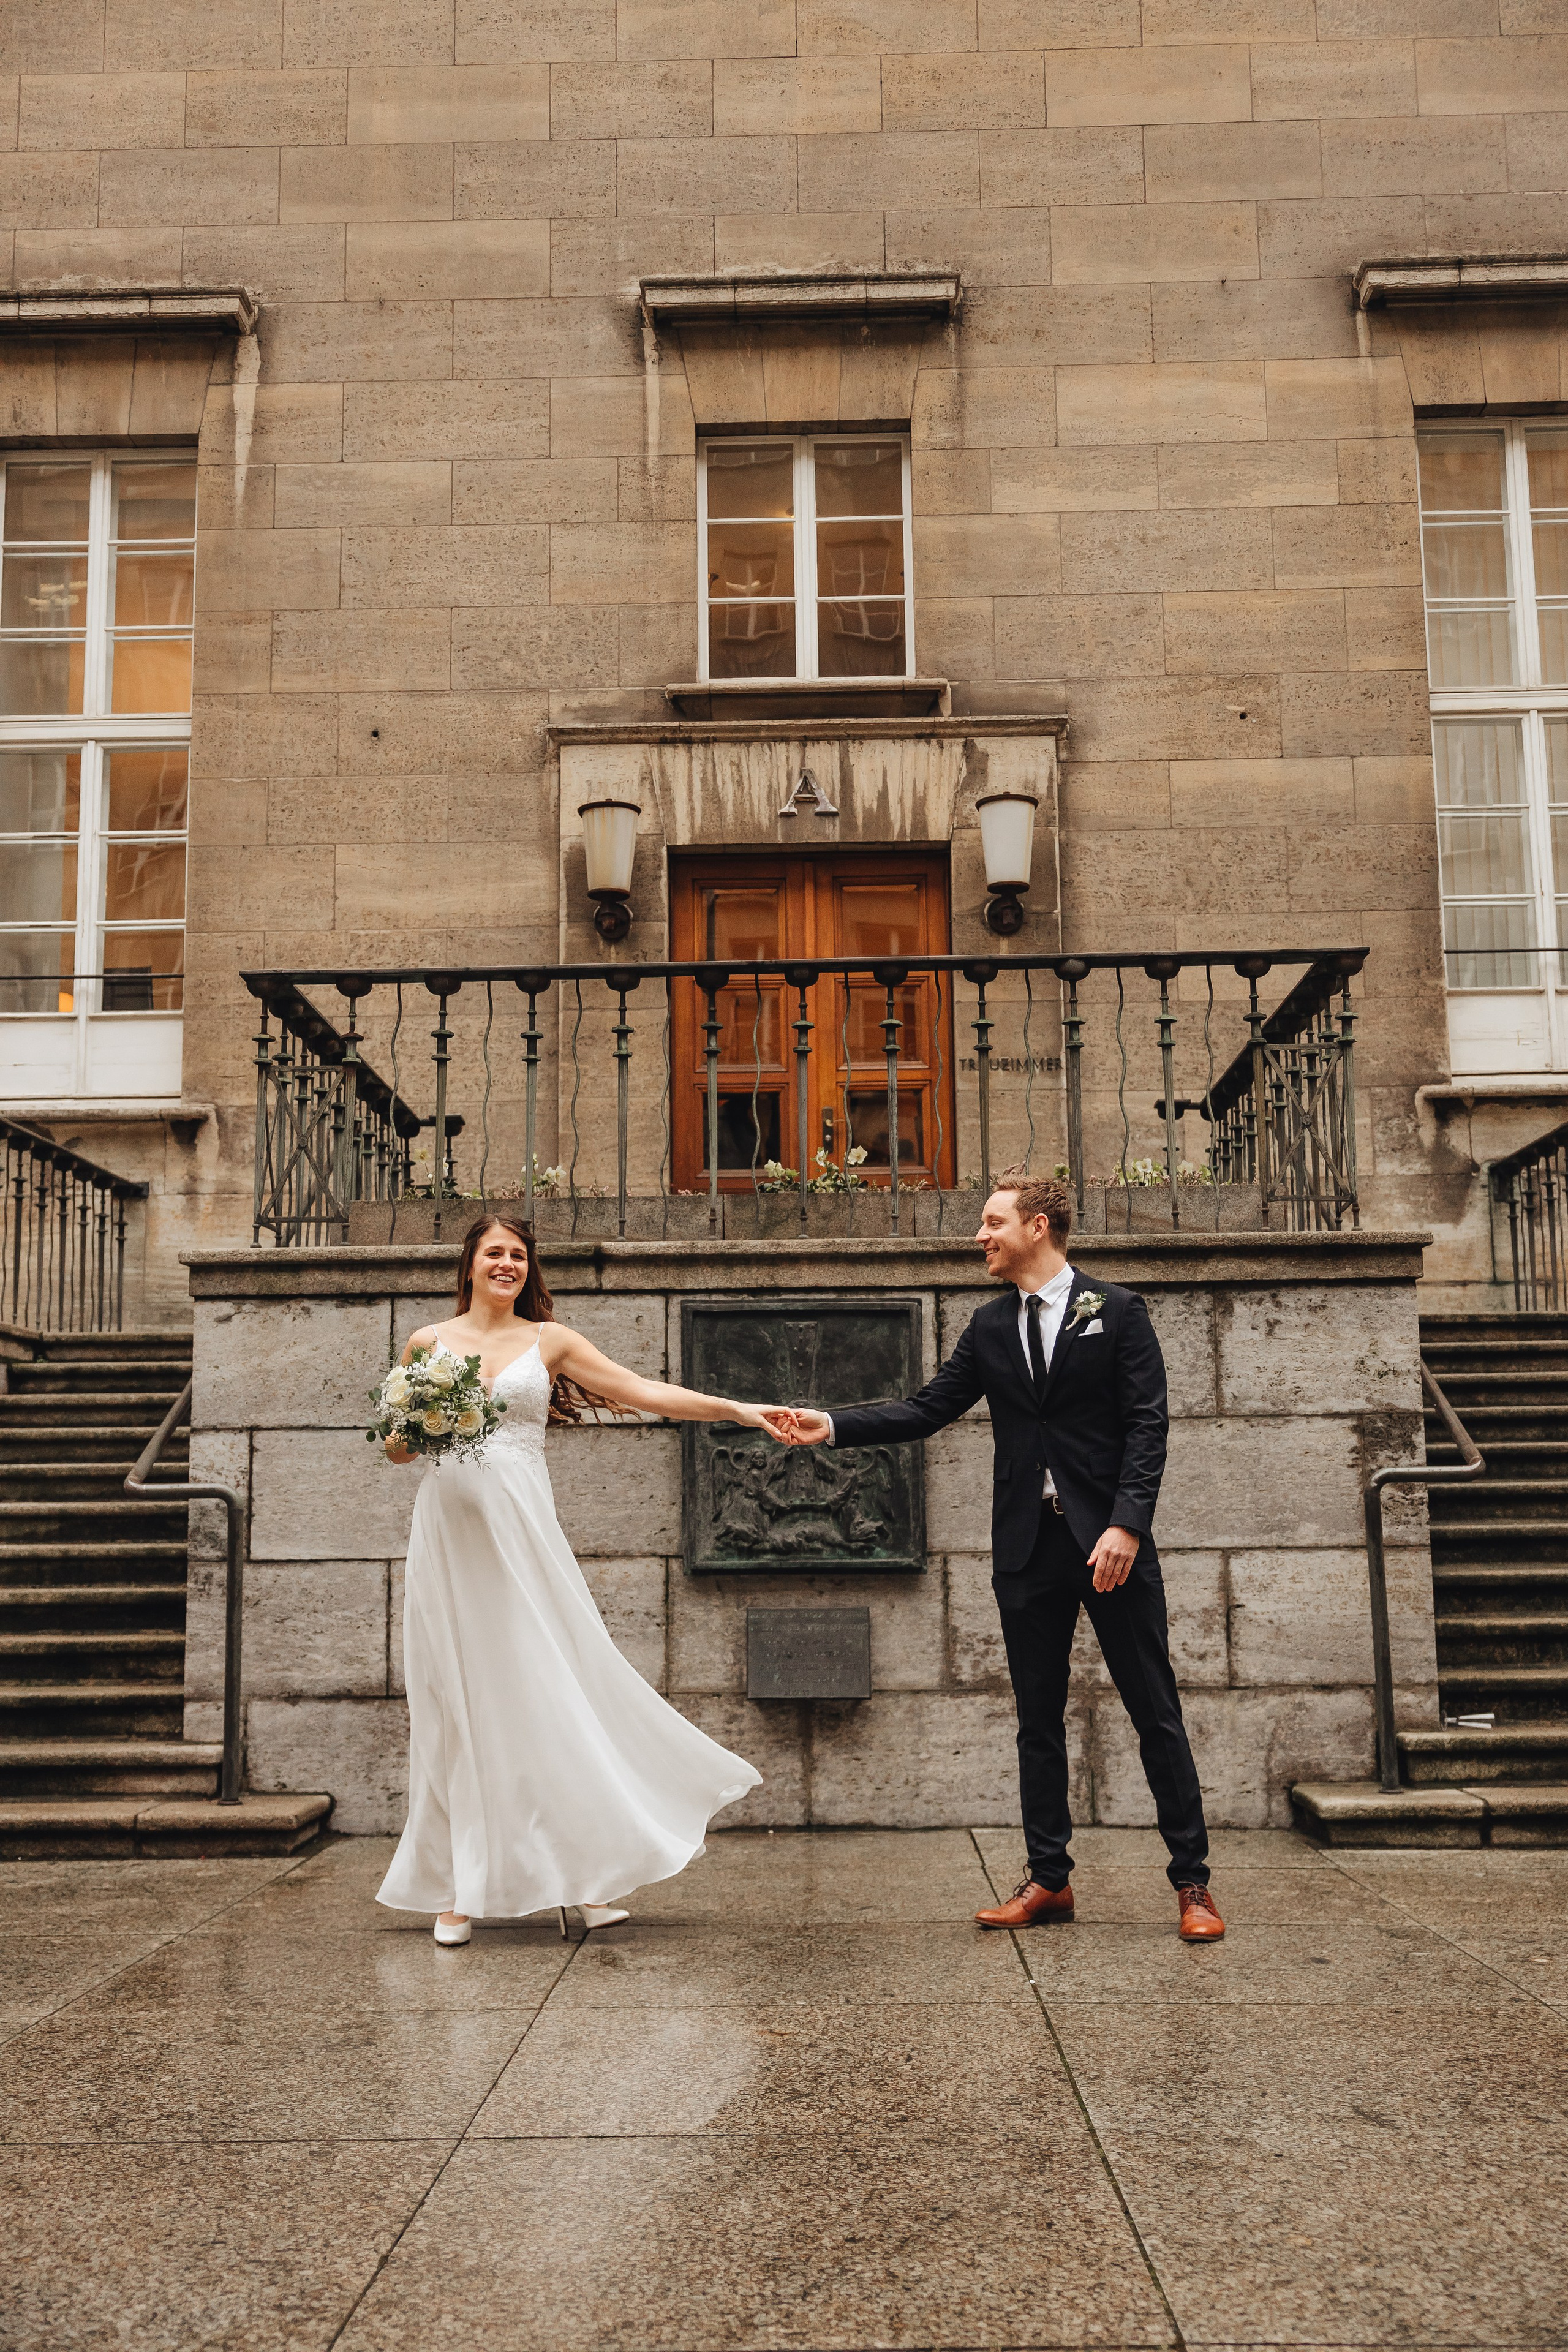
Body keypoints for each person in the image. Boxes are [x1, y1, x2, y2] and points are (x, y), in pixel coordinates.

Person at [776, 1169, 1224, 1943]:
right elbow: (927, 1408)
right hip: (1026, 1544)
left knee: (1154, 1711)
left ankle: (1193, 1885)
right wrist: (833, 1425)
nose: (978, 1236)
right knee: (1037, 1721)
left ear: (1038, 1227)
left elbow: (1147, 1426)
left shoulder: (1116, 1311)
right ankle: (1049, 1879)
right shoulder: (988, 1326)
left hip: (1107, 1546)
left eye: (992, 1223)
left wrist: (1127, 1525)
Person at [377, 1213, 772, 1945]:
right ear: (469, 1264)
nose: (507, 1264)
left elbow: (639, 1391)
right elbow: (399, 1453)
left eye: (519, 1255)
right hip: (451, 1541)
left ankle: (586, 1877)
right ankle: (458, 1890)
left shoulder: (548, 1341)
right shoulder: (427, 1343)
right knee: (457, 1702)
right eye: (494, 1253)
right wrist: (426, 1419)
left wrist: (735, 1411)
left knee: (547, 1692)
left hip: (525, 1538)